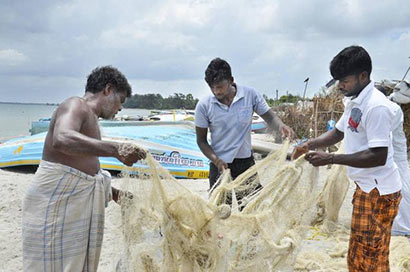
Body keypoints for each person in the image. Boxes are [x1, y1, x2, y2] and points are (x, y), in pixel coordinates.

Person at [22, 66, 146, 271]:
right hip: (55, 204)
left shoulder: (91, 118)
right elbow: (62, 139)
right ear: (108, 89)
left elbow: (84, 171)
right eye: (120, 101)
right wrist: (116, 149)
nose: (120, 109)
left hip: (72, 204)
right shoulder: (76, 105)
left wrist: (116, 194)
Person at [302, 46, 402, 271]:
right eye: (337, 80)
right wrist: (311, 144)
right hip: (365, 188)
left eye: (344, 80)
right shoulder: (353, 100)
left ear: (363, 76)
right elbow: (338, 132)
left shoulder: (376, 107)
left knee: (372, 259)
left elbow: (378, 156)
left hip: (380, 193)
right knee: (358, 257)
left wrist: (330, 159)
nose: (339, 86)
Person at [195, 57, 295, 199]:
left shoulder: (249, 95)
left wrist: (281, 126)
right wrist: (216, 160)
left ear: (231, 80)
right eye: (212, 87)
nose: (216, 91)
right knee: (220, 212)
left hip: (245, 163)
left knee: (251, 207)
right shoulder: (204, 105)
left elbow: (270, 117)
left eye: (220, 86)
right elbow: (201, 141)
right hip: (219, 166)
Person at [378, 86, 410, 236]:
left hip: (396, 157)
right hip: (388, 158)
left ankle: (402, 228)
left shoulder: (393, 109)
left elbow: (385, 135)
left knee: (402, 191)